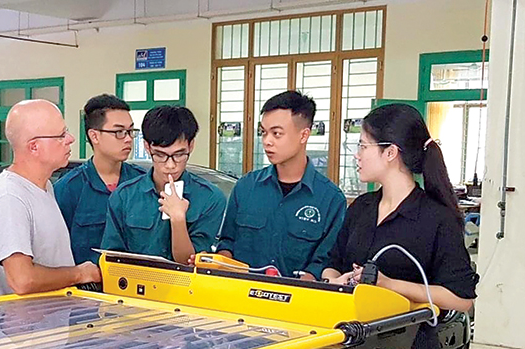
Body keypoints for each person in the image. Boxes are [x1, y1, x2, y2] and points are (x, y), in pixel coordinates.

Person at [321, 103, 477, 349]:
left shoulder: (436, 218)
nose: (356, 155)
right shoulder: (361, 208)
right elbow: (333, 263)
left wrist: (389, 285)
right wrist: (336, 282)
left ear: (390, 152)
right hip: (345, 344)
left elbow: (461, 298)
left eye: (363, 146)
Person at [215, 90, 346, 279]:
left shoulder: (330, 199)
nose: (267, 141)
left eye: (277, 134)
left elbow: (324, 263)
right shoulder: (245, 188)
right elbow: (227, 244)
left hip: (298, 303)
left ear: (304, 135)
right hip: (240, 298)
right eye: (263, 133)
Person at [0, 99, 101, 296]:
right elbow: (22, 280)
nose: (70, 139)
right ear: (34, 147)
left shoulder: (45, 187)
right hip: (26, 326)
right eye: (61, 135)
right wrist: (79, 274)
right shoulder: (11, 197)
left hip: (54, 323)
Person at [101, 106, 226, 263]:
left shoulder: (210, 198)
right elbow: (111, 259)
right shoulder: (124, 196)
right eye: (160, 155)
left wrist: (178, 219)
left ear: (191, 145)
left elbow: (190, 263)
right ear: (147, 147)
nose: (170, 165)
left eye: (179, 155)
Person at [54, 94, 143, 264]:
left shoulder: (142, 184)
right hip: (87, 287)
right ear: (94, 136)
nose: (128, 139)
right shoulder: (69, 189)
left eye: (131, 131)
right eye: (119, 132)